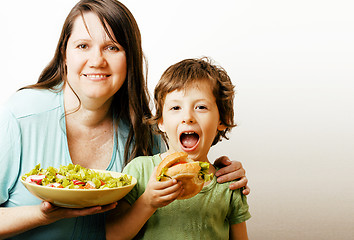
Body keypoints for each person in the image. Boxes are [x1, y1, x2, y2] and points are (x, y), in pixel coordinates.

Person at [0, 0, 249, 239]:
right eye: (82, 46)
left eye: (112, 47)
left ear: (130, 59)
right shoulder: (21, 115)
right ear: (64, 53)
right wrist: (42, 215)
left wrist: (218, 174)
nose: (97, 61)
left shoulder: (145, 135)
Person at [106, 57, 251, 240]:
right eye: (175, 107)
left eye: (201, 107)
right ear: (161, 122)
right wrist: (147, 202)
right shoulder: (140, 171)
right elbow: (112, 236)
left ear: (222, 120)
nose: (187, 117)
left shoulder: (229, 183)